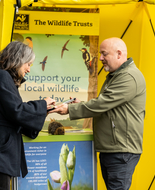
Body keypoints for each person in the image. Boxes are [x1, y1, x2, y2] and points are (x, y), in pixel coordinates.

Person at [51, 37, 146, 190]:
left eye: (104, 54)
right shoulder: (117, 75)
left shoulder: (128, 77)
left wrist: (70, 109)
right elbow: (107, 105)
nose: (100, 58)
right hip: (113, 149)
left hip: (121, 151)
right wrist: (80, 105)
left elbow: (103, 103)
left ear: (119, 54)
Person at [0, 41, 55, 190]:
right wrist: (42, 104)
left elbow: (12, 112)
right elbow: (17, 110)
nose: (29, 69)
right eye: (28, 64)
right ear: (18, 60)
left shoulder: (2, 77)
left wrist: (44, 110)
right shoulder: (1, 76)